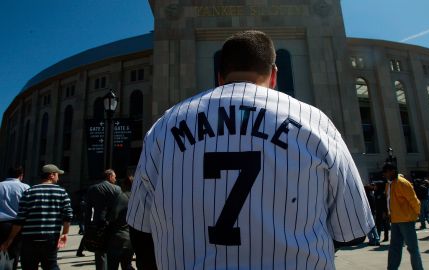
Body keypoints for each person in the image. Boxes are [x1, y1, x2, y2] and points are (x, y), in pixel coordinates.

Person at [127, 30, 374, 269]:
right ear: (274, 75)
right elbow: (353, 230)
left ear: (220, 77)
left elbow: (140, 229)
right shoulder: (314, 122)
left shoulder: (165, 126)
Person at [0, 164, 73, 270]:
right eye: (57, 174)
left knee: (29, 266)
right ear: (52, 175)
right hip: (51, 237)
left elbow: (20, 219)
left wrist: (10, 239)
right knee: (51, 265)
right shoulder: (61, 192)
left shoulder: (29, 192)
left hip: (29, 238)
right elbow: (68, 215)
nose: (58, 177)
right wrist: (65, 233)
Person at [384, 163, 423, 270]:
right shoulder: (389, 184)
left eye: (386, 172)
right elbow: (389, 201)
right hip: (395, 219)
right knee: (394, 247)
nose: (385, 175)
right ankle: (392, 268)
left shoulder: (402, 183)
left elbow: (413, 199)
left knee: (412, 248)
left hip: (406, 219)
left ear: (392, 171)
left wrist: (417, 212)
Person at [85, 169, 122, 270]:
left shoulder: (92, 189)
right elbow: (119, 208)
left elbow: (88, 210)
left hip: (97, 225)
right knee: (113, 252)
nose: (115, 179)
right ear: (110, 176)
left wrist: (87, 227)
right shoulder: (117, 189)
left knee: (100, 253)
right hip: (112, 225)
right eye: (114, 177)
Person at [0, 166, 30, 270]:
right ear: (21, 175)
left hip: (1, 223)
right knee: (14, 252)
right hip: (17, 224)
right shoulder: (25, 187)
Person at [106, 176, 135, 270]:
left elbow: (112, 217)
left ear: (124, 185)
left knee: (112, 266)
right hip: (130, 239)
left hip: (118, 238)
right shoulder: (137, 198)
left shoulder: (122, 197)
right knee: (127, 266)